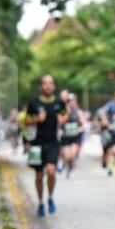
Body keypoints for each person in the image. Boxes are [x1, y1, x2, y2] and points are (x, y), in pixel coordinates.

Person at [25, 75, 67, 217]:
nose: (48, 86)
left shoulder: (59, 102)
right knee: (38, 175)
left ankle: (50, 198)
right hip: (36, 144)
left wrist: (62, 118)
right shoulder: (34, 103)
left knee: (51, 171)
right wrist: (37, 119)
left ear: (53, 86)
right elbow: (26, 121)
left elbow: (65, 115)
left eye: (50, 83)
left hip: (53, 143)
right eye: (45, 84)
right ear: (41, 87)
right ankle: (40, 202)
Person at [59, 94, 85, 179]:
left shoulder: (79, 112)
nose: (71, 103)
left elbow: (84, 124)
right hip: (65, 137)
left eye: (73, 101)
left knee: (73, 155)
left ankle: (71, 170)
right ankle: (67, 168)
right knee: (67, 156)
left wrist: (79, 129)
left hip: (74, 137)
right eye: (69, 101)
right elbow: (59, 122)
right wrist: (61, 131)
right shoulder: (63, 111)